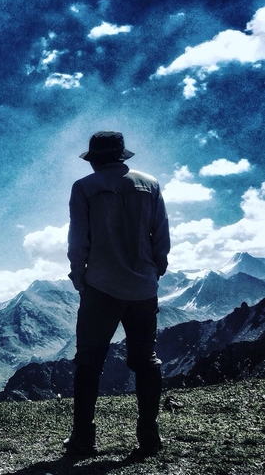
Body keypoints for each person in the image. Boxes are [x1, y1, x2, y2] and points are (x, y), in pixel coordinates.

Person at [65, 131, 170, 457]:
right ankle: (149, 438)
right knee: (145, 360)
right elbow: (161, 235)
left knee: (88, 362)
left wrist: (79, 274)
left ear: (94, 159)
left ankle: (83, 438)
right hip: (142, 287)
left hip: (100, 286)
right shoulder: (150, 185)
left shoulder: (84, 187)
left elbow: (78, 238)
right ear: (122, 156)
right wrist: (155, 269)